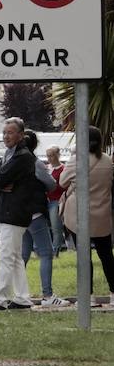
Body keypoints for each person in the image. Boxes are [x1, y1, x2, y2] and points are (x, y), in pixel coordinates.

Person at [0, 117, 40, 311]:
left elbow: (0, 178)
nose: (6, 136)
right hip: (9, 211)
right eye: (4, 132)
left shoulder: (22, 156)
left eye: (10, 132)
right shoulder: (11, 154)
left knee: (6, 256)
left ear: (20, 135)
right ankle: (23, 298)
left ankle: (0, 299)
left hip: (14, 213)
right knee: (15, 257)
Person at [59, 125, 114, 305]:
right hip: (102, 215)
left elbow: (62, 182)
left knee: (84, 257)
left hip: (79, 215)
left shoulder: (76, 161)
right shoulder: (107, 161)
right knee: (107, 256)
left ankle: (88, 296)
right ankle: (113, 294)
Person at [21, 132, 62, 307]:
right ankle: (47, 295)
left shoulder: (14, 160)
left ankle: (17, 293)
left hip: (20, 213)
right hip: (35, 213)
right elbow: (51, 183)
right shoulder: (35, 163)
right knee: (46, 253)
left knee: (23, 255)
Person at [46, 146, 65, 255]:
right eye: (48, 156)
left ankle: (56, 250)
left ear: (57, 155)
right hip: (46, 200)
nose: (49, 158)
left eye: (51, 155)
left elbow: (63, 186)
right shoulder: (47, 168)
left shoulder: (63, 169)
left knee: (56, 227)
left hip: (56, 201)